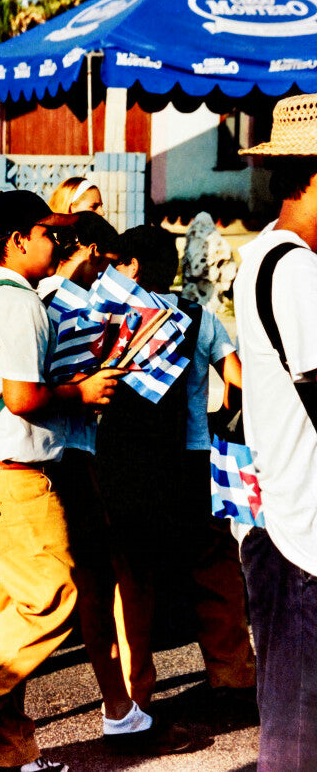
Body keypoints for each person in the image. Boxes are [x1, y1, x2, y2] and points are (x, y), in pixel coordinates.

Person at [0, 190, 162, 772]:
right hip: (16, 483)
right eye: (47, 233)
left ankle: (5, 756)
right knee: (54, 600)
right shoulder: (17, 302)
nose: (57, 243)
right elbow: (20, 399)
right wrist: (82, 391)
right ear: (17, 240)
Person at [95, 225, 254, 711]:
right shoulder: (200, 317)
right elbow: (236, 380)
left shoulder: (110, 316)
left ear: (132, 267)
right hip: (194, 455)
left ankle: (135, 690)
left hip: (129, 461)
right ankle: (232, 674)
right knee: (214, 562)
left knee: (135, 575)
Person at [235, 93, 317, 771]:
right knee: (297, 730)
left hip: (280, 516)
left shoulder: (263, 254)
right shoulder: (295, 269)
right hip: (301, 532)